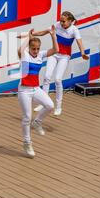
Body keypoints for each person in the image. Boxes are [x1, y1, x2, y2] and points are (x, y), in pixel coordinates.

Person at [18, 11, 89, 116]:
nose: (61, 23)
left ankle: (58, 106)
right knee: (46, 77)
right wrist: (31, 34)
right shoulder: (56, 25)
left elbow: (79, 43)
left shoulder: (74, 30)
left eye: (63, 21)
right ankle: (43, 102)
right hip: (54, 54)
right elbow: (44, 32)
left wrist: (83, 53)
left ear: (70, 21)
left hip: (64, 56)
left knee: (57, 79)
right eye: (60, 20)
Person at [17, 26, 59, 158]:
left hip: (35, 89)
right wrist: (27, 39)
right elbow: (20, 50)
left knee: (50, 105)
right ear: (29, 48)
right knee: (27, 118)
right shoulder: (25, 56)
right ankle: (27, 142)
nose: (36, 51)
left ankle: (38, 122)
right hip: (24, 91)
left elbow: (56, 50)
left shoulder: (40, 55)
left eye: (37, 49)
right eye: (33, 49)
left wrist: (52, 35)